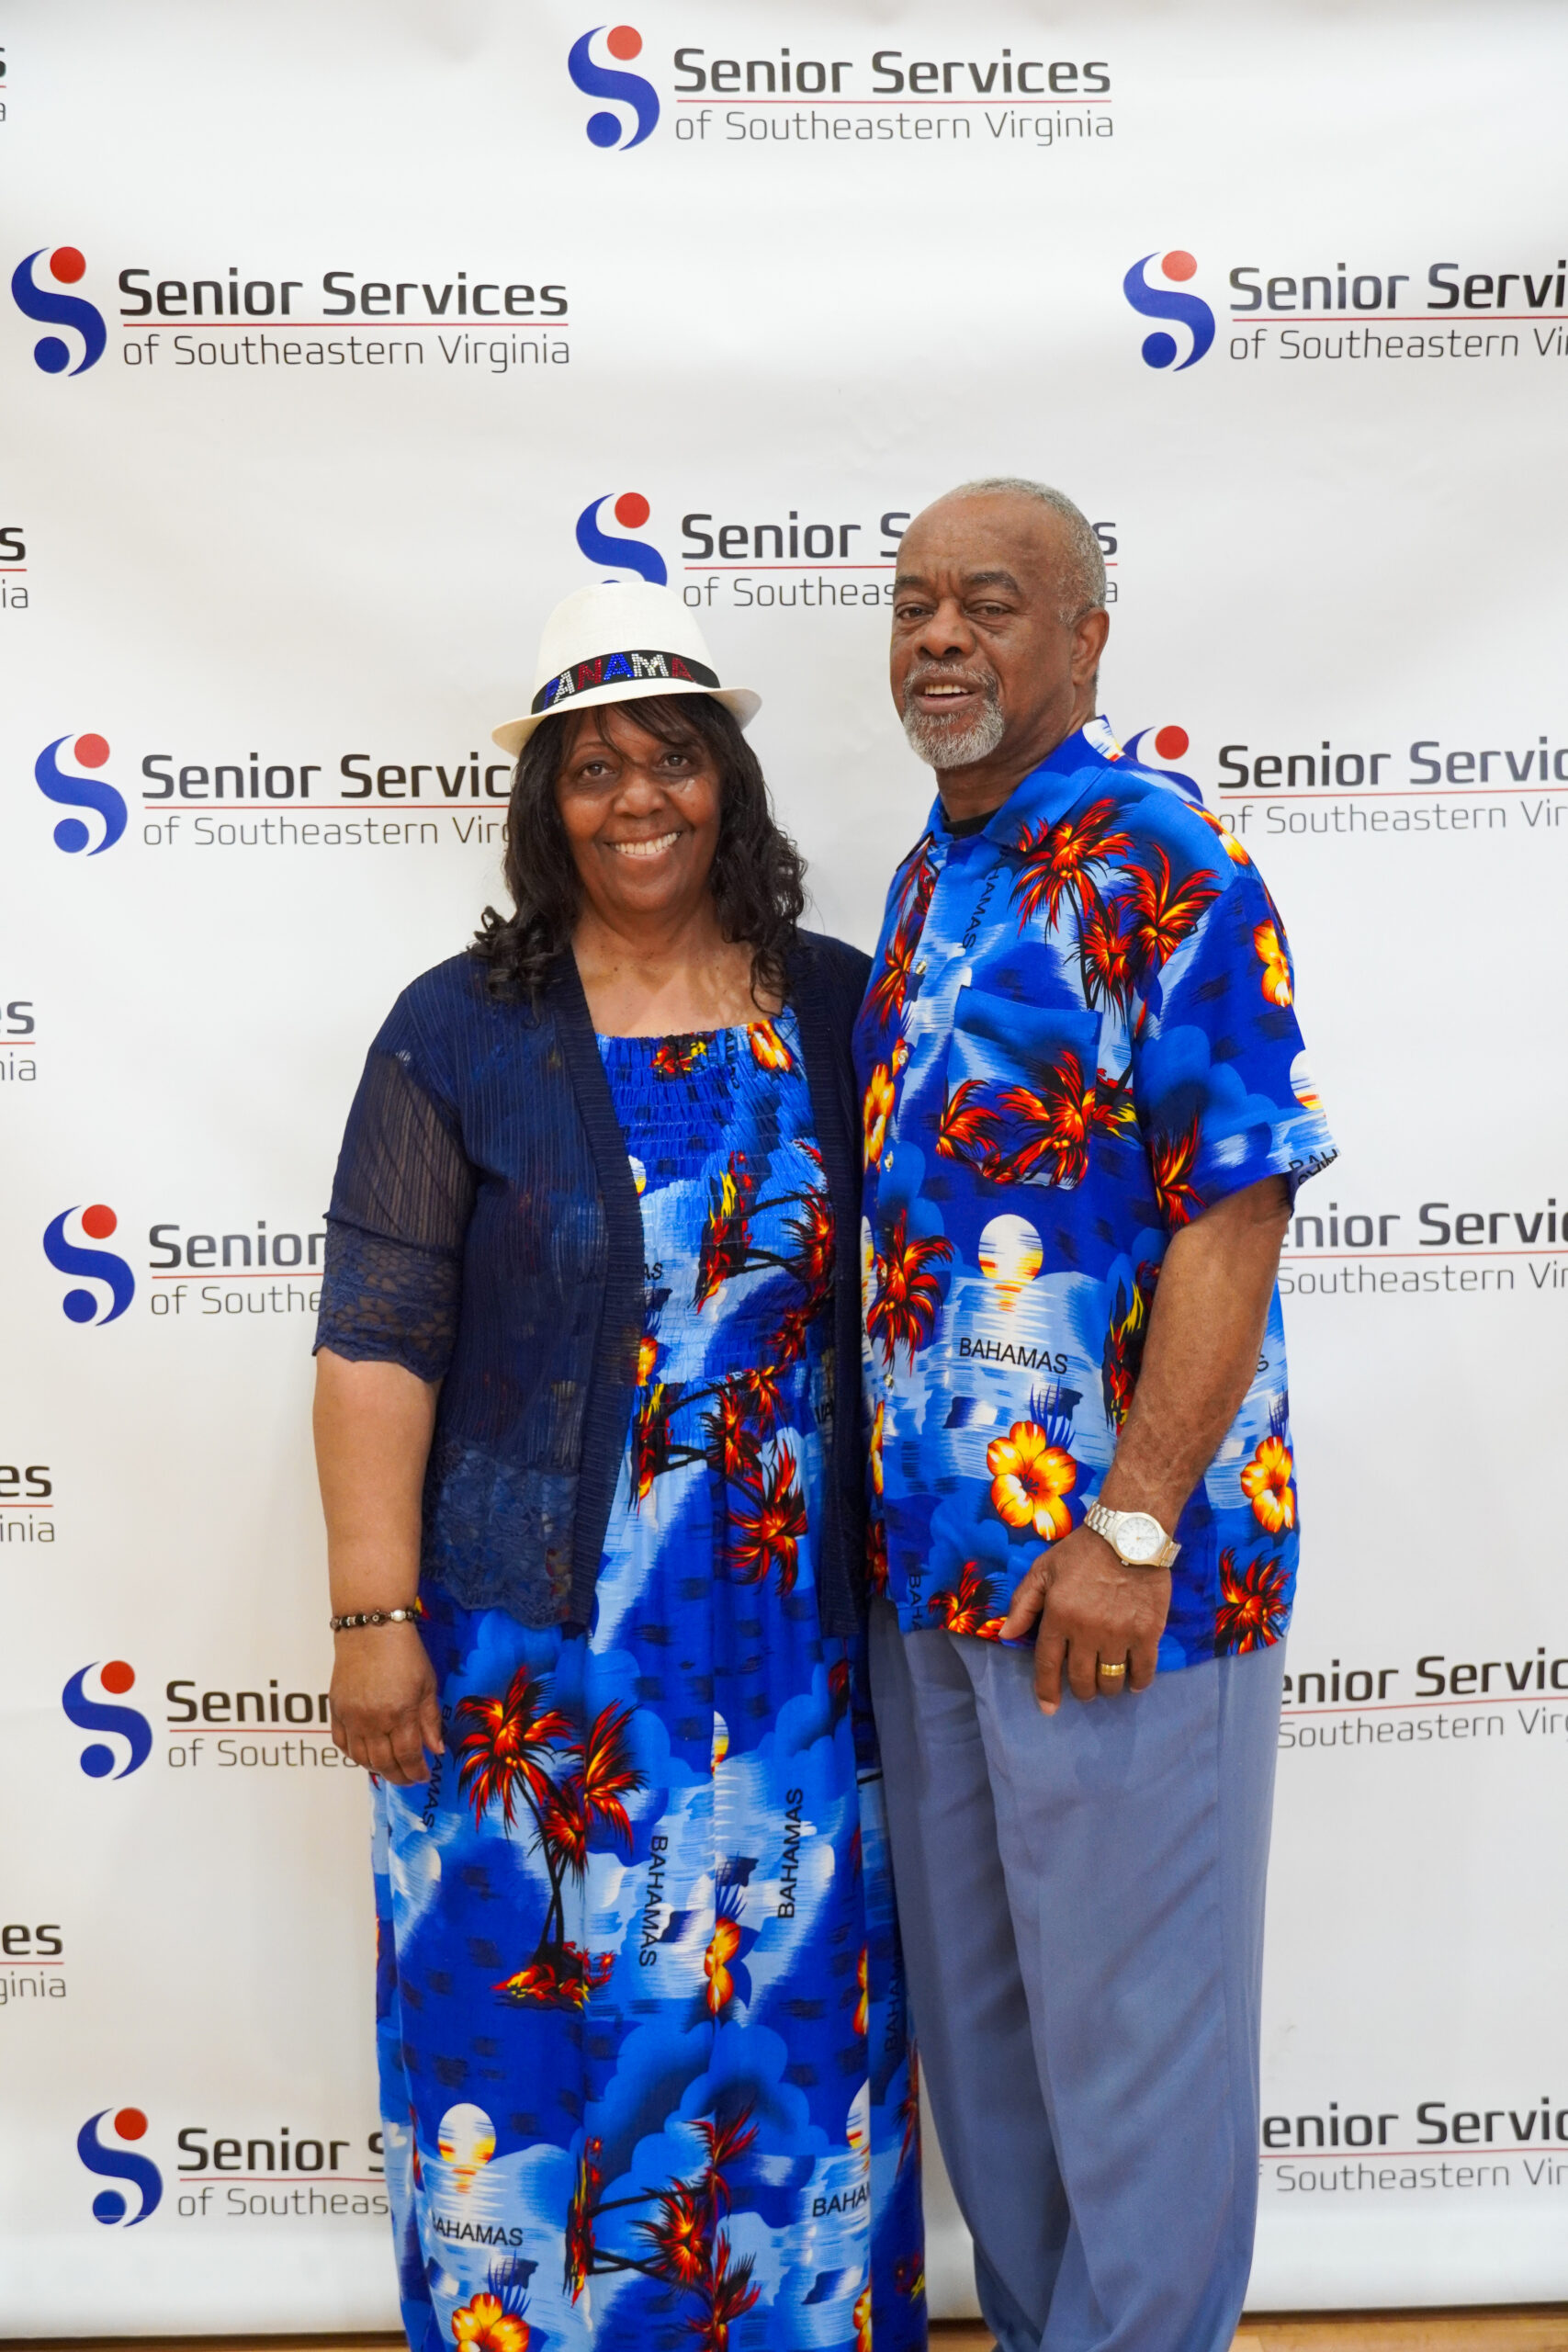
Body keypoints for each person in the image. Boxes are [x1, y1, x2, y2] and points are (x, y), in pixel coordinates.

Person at [313, 580, 924, 2352]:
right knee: (526, 2034)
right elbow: (373, 1337)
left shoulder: (831, 1004)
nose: (635, 798)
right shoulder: (458, 1030)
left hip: (795, 1658)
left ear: (727, 784)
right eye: (592, 772)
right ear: (544, 808)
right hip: (531, 1662)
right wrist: (371, 1614)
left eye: (670, 760)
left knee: (783, 2036)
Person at [856, 480, 1337, 2352]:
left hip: (1123, 1568)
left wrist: (1131, 1516)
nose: (940, 637)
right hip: (938, 1574)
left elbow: (1234, 1192)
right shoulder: (924, 873)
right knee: (992, 2060)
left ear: (1082, 640)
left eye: (989, 601)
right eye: (912, 604)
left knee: (1133, 2044)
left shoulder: (1166, 863)